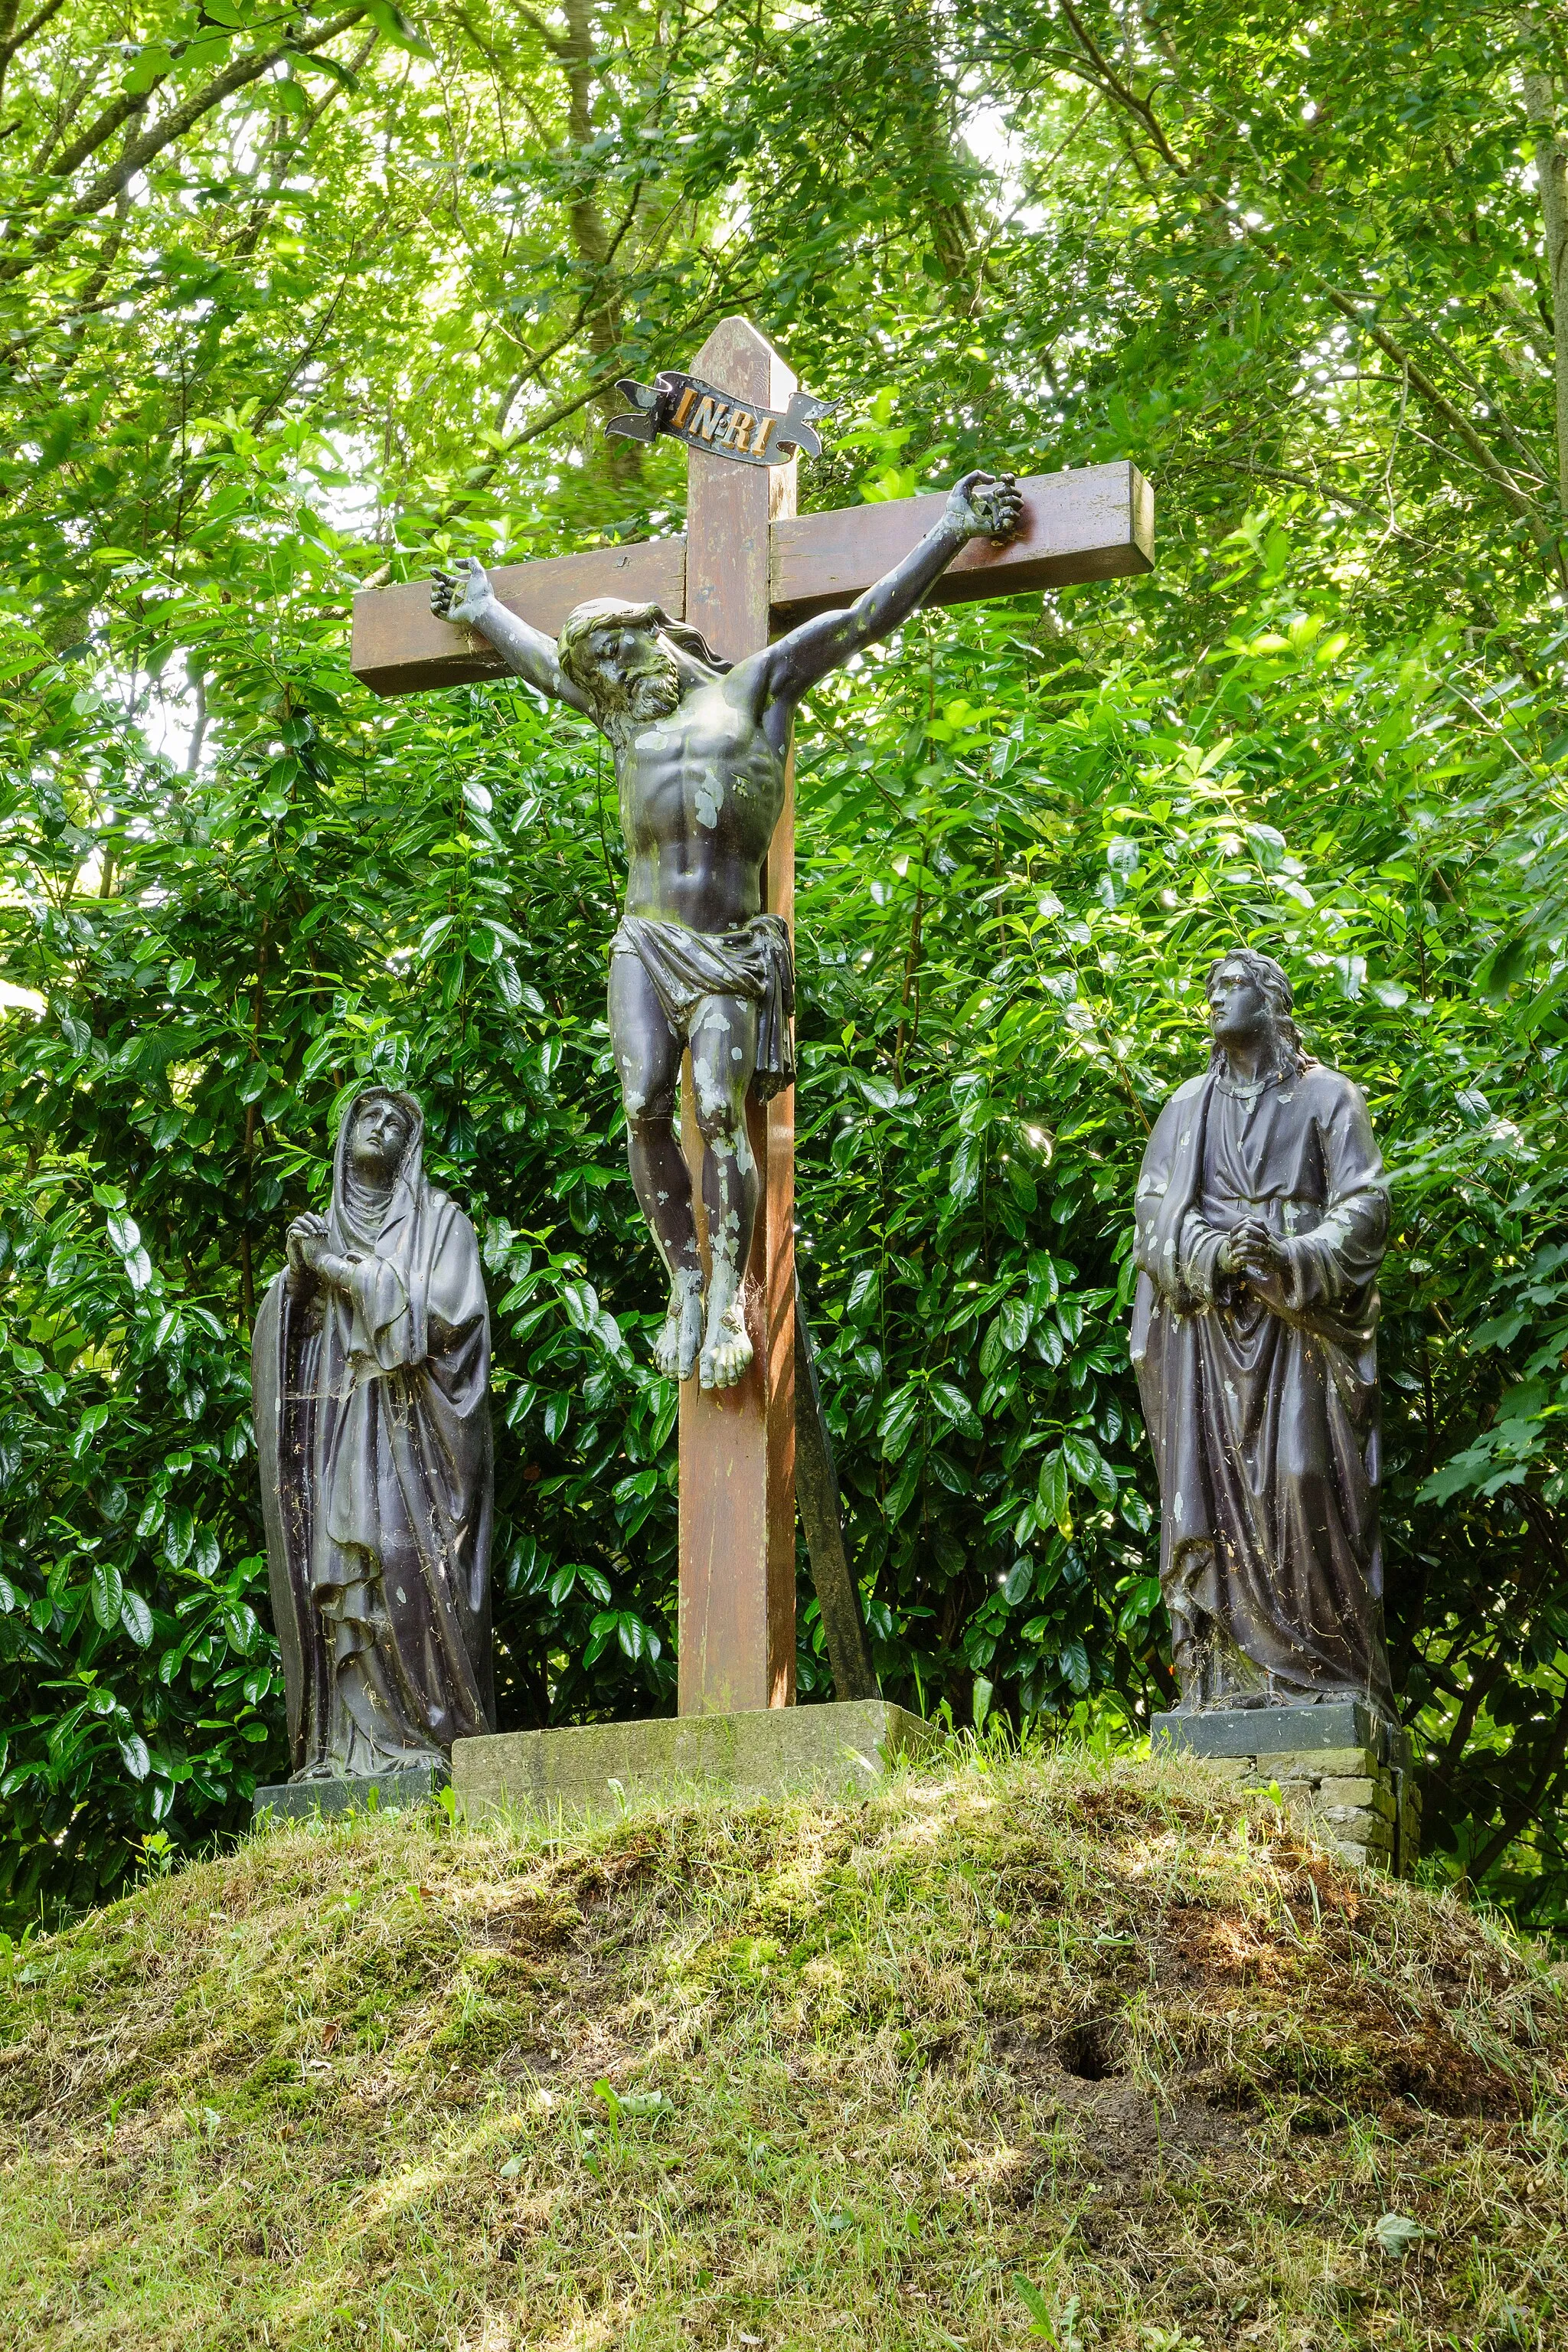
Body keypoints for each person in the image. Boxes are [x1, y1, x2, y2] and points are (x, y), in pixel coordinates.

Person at [430, 468, 1023, 1391]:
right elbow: (540, 662)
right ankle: (683, 1282)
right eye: (602, 668)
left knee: (716, 1112)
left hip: (729, 950)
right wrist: (480, 610)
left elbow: (864, 618)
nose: (616, 674)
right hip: (644, 941)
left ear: (657, 633)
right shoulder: (623, 722)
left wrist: (951, 527)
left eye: (624, 650)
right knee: (640, 1109)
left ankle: (729, 1305)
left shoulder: (757, 690)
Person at [1129, 950, 1395, 1713]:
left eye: (1232, 985)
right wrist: (1213, 1253)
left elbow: (1365, 1206)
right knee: (1207, 1506)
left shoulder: (1325, 1097)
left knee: (1302, 1479)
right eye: (1208, 986)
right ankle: (1224, 1682)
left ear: (1273, 1001)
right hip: (1209, 1342)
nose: (1215, 997)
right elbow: (1151, 1221)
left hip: (1298, 1333)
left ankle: (1326, 1678)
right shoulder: (1184, 1110)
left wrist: (1292, 1254)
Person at [253, 1086, 495, 1779]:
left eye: (396, 1121)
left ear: (410, 1146)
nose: (380, 1126)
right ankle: (340, 1750)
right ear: (345, 1133)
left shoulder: (441, 1223)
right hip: (337, 1434)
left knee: (400, 1566)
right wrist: (296, 1285)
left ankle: (420, 1738)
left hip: (412, 1438)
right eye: (368, 1114)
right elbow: (287, 1344)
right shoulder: (317, 1226)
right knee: (338, 1579)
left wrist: (332, 1268)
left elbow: (444, 1318)